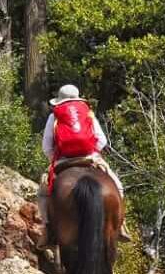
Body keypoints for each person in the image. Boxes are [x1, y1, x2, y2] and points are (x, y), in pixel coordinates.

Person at [39, 84, 132, 242]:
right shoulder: (87, 113)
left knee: (42, 193)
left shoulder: (53, 116)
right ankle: (121, 226)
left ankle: (47, 232)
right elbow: (102, 141)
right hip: (91, 157)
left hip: (64, 159)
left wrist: (54, 160)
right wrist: (91, 152)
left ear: (59, 101)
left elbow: (46, 146)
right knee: (118, 186)